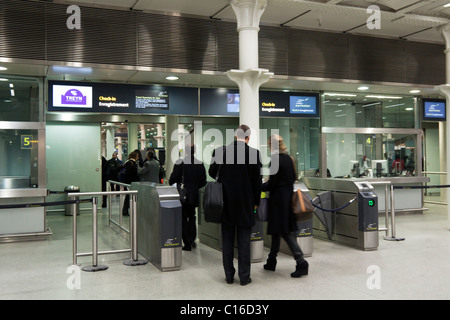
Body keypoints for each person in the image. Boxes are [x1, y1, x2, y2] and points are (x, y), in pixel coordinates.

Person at [209, 124, 262, 285]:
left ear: (234, 136)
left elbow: (212, 173)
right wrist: (256, 203)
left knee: (227, 241)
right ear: (248, 137)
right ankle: (244, 277)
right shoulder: (254, 154)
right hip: (246, 204)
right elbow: (257, 183)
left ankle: (229, 276)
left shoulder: (220, 152)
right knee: (244, 242)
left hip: (225, 203)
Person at [262, 134, 309, 278]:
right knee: (277, 232)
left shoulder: (275, 160)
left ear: (272, 145)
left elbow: (272, 184)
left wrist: (261, 186)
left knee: (285, 233)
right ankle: (271, 261)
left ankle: (301, 262)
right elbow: (292, 178)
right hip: (287, 200)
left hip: (278, 203)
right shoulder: (289, 159)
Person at [169, 144, 207, 251]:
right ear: (194, 151)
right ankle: (192, 239)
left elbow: (173, 178)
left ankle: (187, 243)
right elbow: (203, 181)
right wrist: (194, 187)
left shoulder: (180, 163)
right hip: (194, 195)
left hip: (183, 195)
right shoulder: (199, 164)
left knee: (183, 218)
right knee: (192, 216)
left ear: (185, 151)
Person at [121, 151, 140, 216]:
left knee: (128, 196)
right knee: (129, 197)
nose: (138, 157)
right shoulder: (132, 163)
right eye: (137, 156)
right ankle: (125, 211)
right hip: (131, 183)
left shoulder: (127, 162)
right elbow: (134, 174)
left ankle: (125, 210)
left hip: (127, 182)